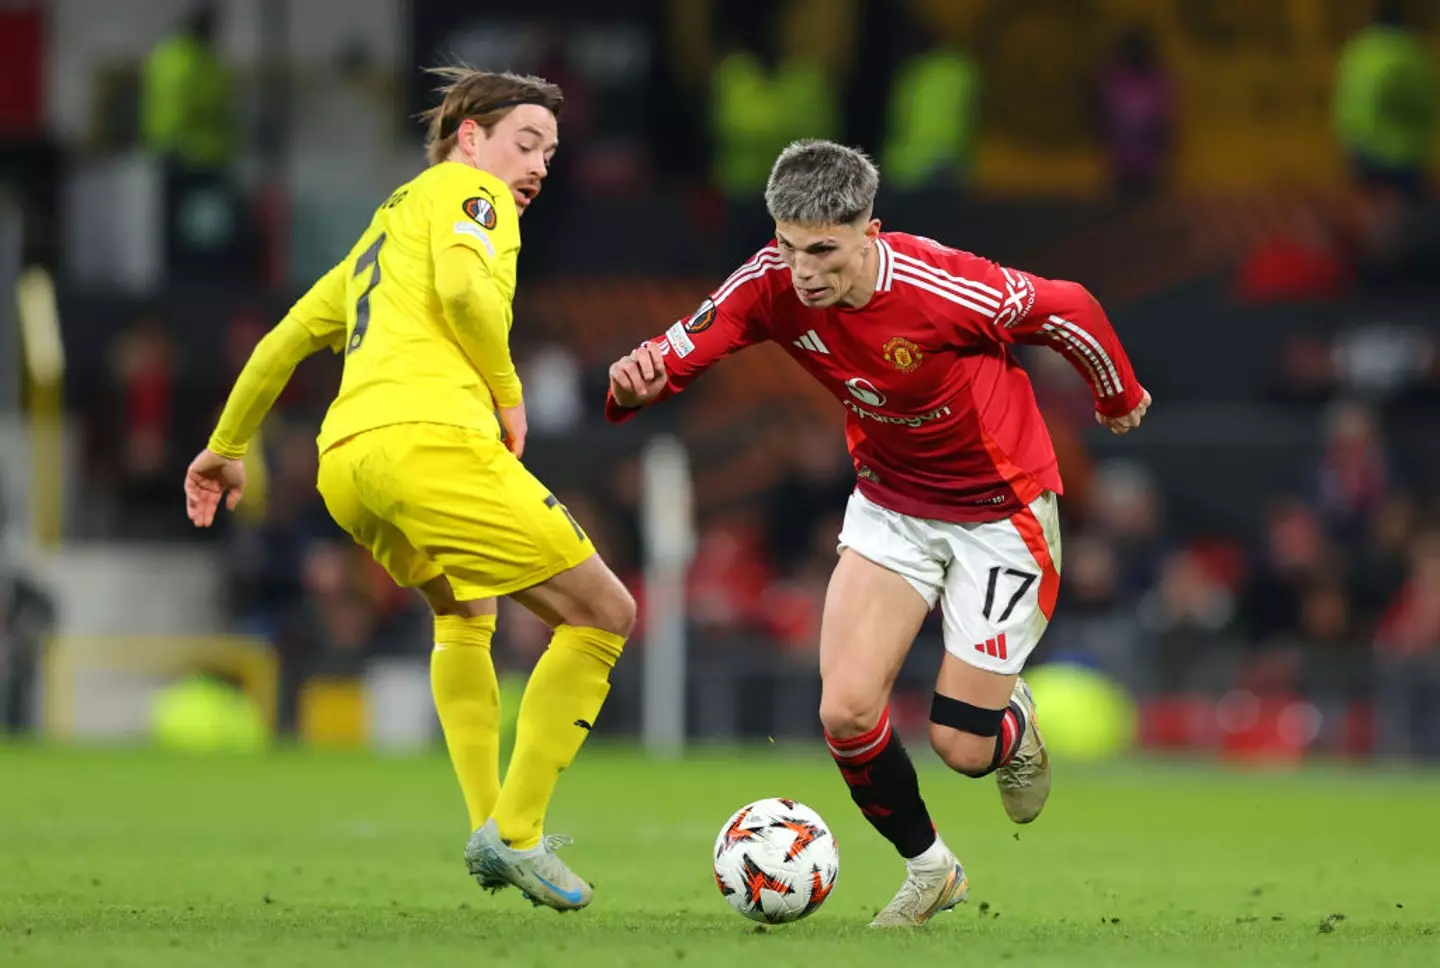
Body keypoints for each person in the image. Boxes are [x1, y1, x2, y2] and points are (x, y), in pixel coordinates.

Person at [606, 140, 1150, 928]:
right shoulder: (770, 283)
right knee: (847, 712)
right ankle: (931, 869)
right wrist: (639, 378)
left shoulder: (940, 285)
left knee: (960, 748)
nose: (804, 270)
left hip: (1001, 515)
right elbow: (681, 348)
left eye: (824, 250)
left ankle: (1011, 723)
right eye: (790, 247)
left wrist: (1115, 393)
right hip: (893, 506)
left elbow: (1068, 306)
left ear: (870, 233)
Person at [182, 69, 635, 912]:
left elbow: (284, 341)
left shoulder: (379, 238)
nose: (537, 166)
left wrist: (224, 449)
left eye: (550, 152)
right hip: (431, 442)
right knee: (605, 613)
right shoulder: (471, 194)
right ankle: (521, 830)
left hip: (347, 464)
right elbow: (466, 292)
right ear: (471, 138)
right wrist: (507, 392)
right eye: (525, 143)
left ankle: (487, 827)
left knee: (465, 614)